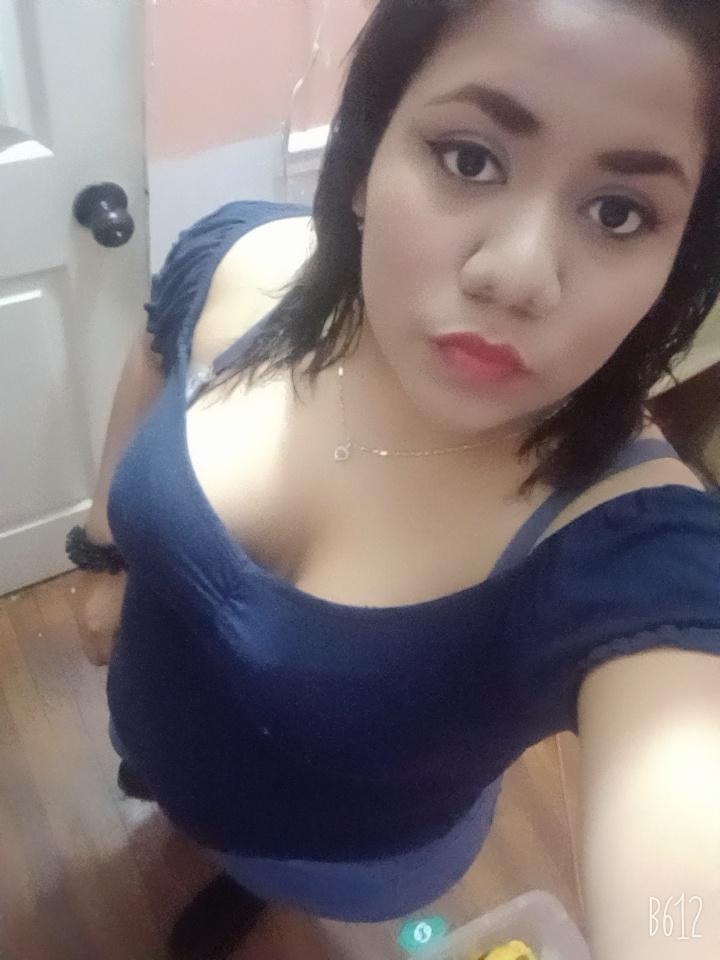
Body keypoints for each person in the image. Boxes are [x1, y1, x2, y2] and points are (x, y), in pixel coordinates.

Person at [67, 0, 720, 957]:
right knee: (166, 802)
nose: (516, 274)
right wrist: (103, 550)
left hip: (333, 858)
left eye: (619, 213)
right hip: (150, 726)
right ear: (367, 157)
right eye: (470, 158)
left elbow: (686, 889)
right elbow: (153, 351)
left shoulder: (640, 552)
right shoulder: (243, 262)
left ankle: (247, 892)